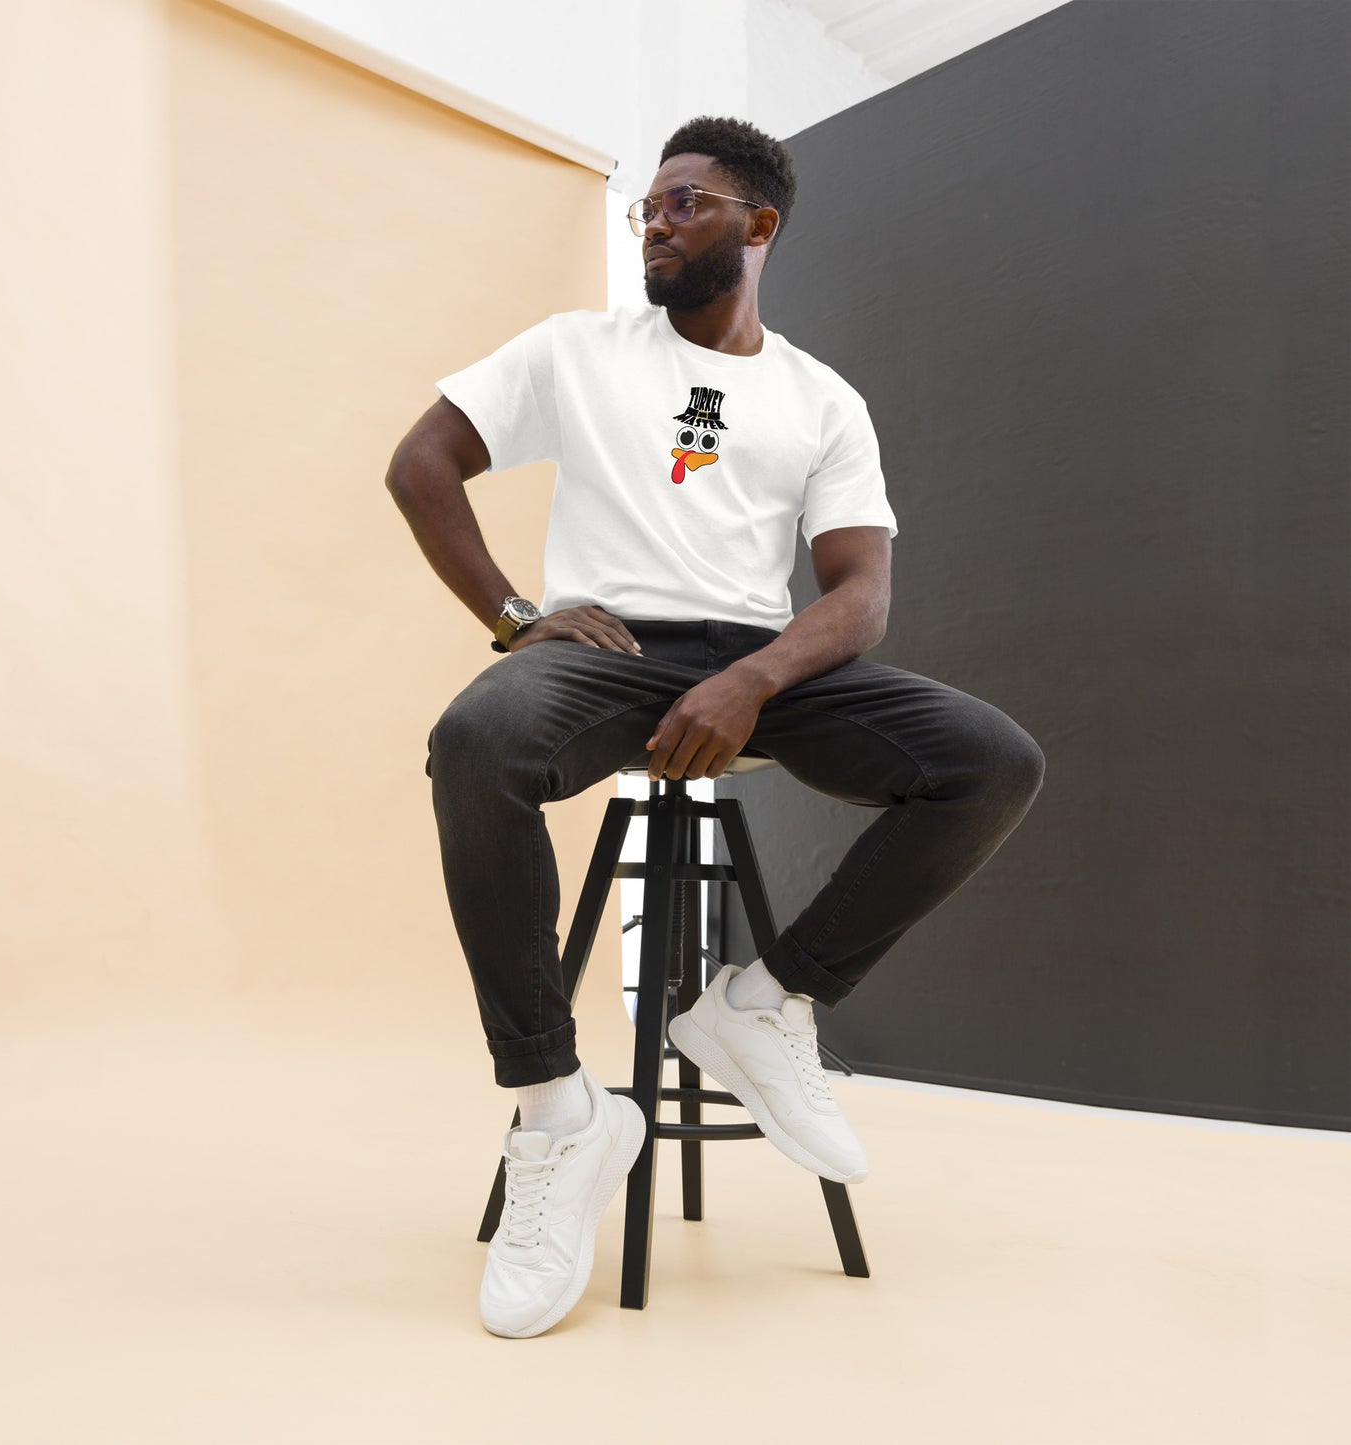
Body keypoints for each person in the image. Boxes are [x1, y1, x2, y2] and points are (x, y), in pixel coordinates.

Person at [386, 116, 1045, 1338]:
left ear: (757, 224)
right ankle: (557, 1111)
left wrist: (751, 681)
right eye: (646, 205)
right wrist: (518, 616)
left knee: (990, 761)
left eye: (683, 203)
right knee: (474, 743)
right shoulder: (576, 351)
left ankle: (761, 1002)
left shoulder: (817, 398)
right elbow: (420, 462)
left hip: (760, 658)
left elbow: (858, 594)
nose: (654, 220)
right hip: (608, 653)